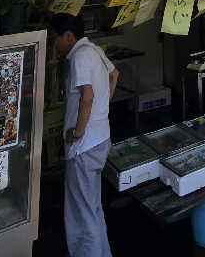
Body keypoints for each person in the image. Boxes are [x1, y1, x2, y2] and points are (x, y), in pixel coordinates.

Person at [50, 13, 119, 257]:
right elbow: (114, 74)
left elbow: (87, 96)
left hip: (85, 145)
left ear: (68, 36)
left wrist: (77, 133)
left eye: (56, 38)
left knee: (82, 212)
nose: (55, 44)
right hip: (101, 138)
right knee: (92, 206)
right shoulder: (95, 50)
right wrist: (104, 107)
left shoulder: (80, 56)